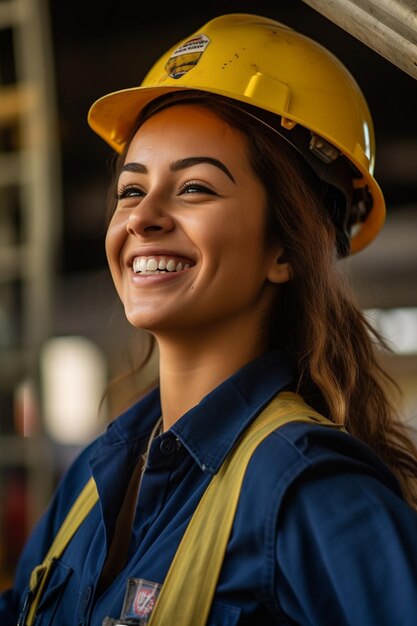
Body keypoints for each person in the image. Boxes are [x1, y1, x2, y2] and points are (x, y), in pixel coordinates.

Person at [2, 12, 417, 626]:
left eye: (195, 188)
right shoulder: (94, 481)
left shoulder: (308, 493)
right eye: (132, 190)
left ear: (284, 249)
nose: (144, 218)